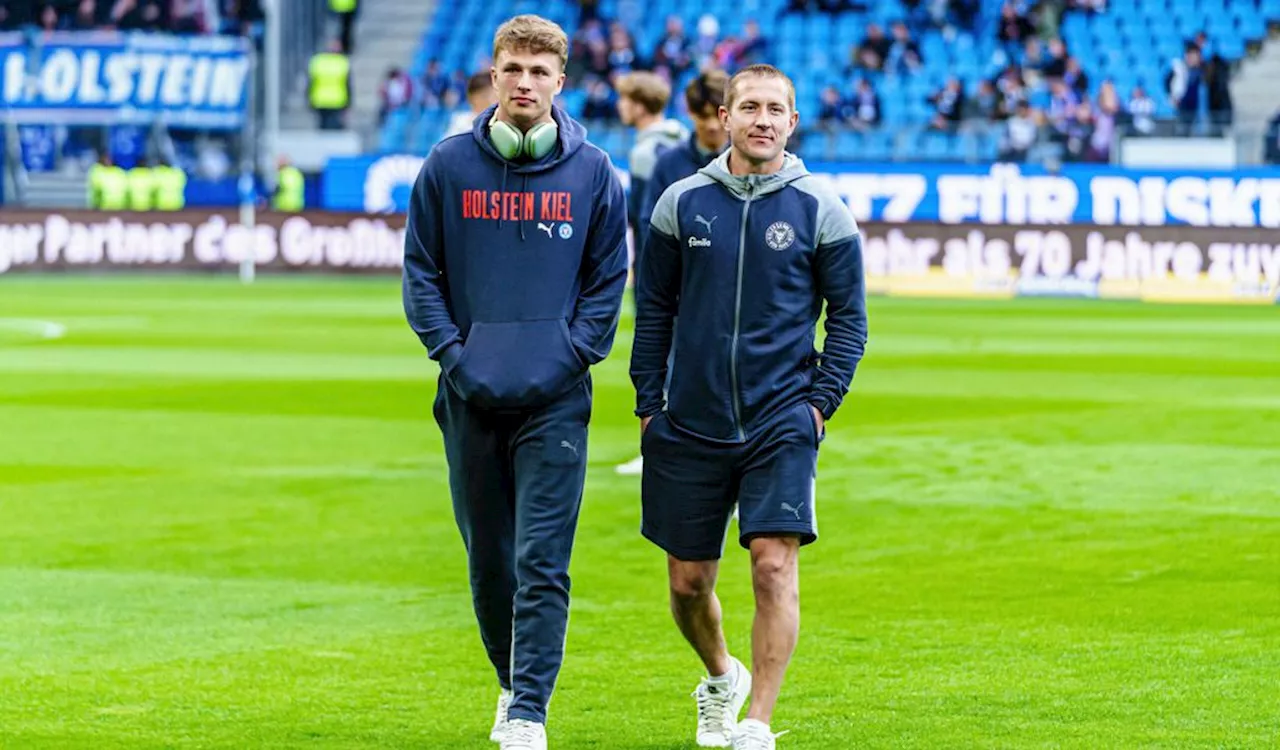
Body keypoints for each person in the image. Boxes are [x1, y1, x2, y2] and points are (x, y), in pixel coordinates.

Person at [402, 14, 628, 750]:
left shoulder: (595, 173)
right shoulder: (446, 166)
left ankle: (529, 710)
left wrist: (571, 357)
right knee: (488, 560)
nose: (525, 82)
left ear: (561, 82)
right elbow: (420, 276)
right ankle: (510, 683)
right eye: (513, 69)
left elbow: (607, 283)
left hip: (555, 400)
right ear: (493, 76)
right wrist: (455, 357)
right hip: (468, 396)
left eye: (540, 71)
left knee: (541, 560)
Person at [630, 64, 867, 749]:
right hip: (690, 421)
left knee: (772, 562)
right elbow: (654, 311)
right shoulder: (681, 202)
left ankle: (758, 723)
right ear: (725, 118)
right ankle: (720, 677)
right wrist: (651, 404)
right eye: (750, 108)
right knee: (687, 583)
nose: (763, 119)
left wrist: (818, 405)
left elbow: (848, 320)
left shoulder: (820, 207)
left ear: (792, 122)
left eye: (776, 110)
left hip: (781, 418)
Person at [615, 68, 729, 477]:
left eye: (719, 114)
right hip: (674, 287)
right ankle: (661, 450)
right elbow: (650, 226)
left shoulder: (748, 159)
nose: (714, 125)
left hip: (728, 291)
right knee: (665, 366)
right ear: (691, 113)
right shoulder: (671, 163)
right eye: (704, 115)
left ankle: (733, 462)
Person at [309, 39, 351, 131]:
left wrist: (309, 99)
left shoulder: (317, 61)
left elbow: (311, 82)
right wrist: (348, 103)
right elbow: (348, 85)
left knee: (323, 129)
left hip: (320, 99)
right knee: (334, 131)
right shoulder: (342, 62)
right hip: (337, 100)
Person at [444, 71, 500, 139]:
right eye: (488, 96)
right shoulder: (461, 125)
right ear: (473, 98)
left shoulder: (502, 124)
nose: (496, 101)